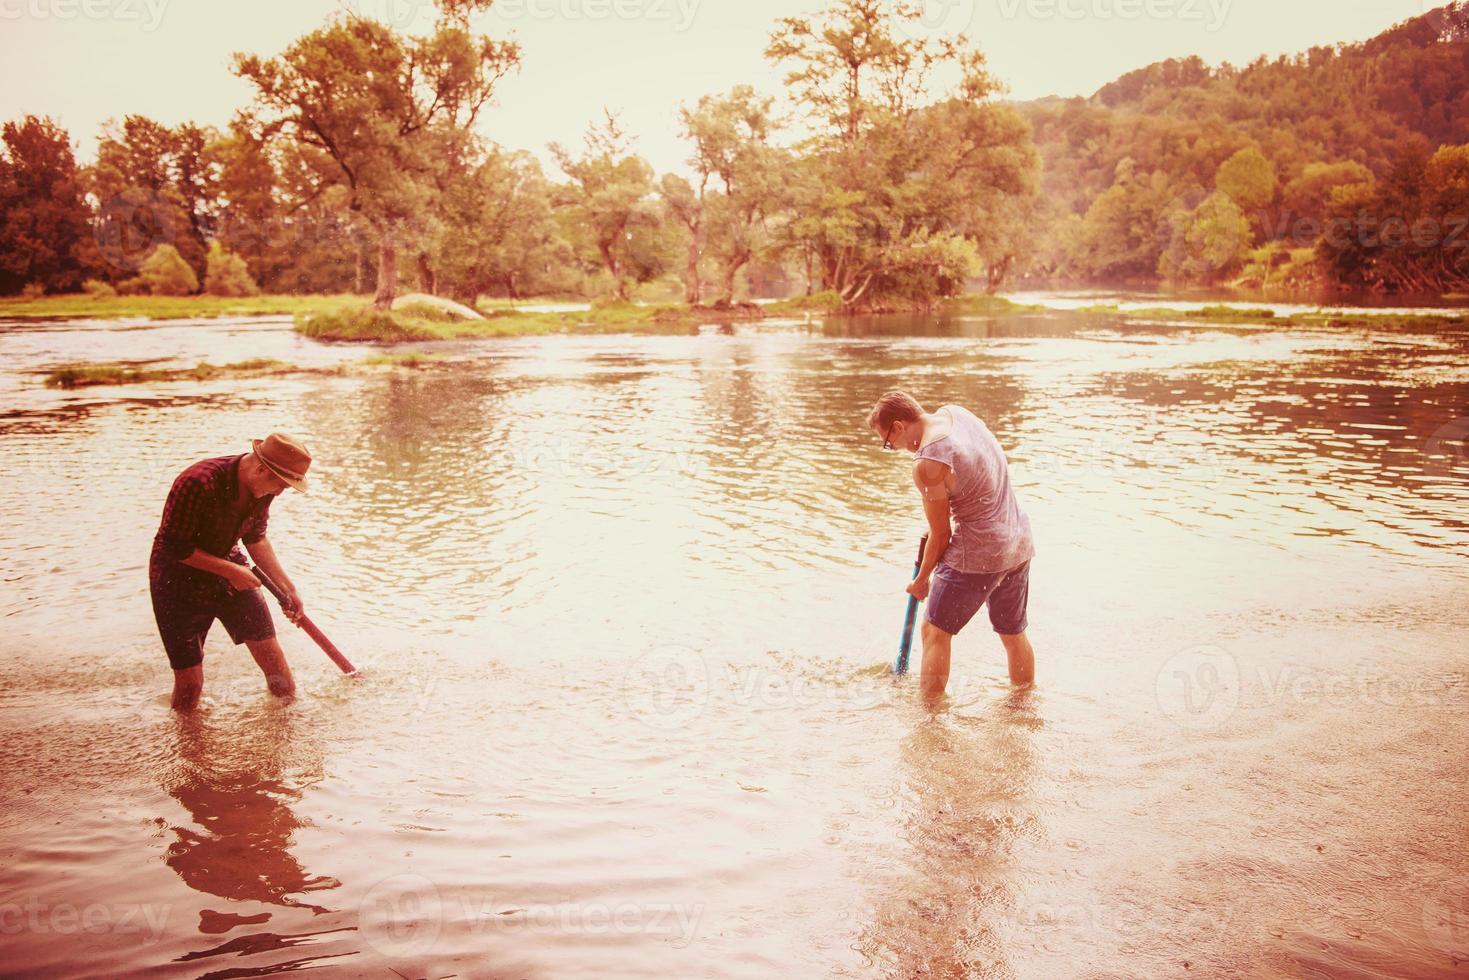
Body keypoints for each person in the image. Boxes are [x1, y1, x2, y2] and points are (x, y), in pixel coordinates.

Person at [869, 392, 1036, 700]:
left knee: (935, 632)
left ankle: (929, 724)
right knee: (1013, 633)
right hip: (1018, 540)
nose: (896, 449)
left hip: (981, 552)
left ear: (898, 426)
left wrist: (921, 582)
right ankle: (1023, 707)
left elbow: (941, 534)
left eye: (889, 443)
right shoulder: (957, 414)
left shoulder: (927, 462)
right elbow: (975, 478)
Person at [149, 433, 312, 711]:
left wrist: (287, 587)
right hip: (177, 581)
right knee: (190, 687)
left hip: (230, 571)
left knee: (281, 679)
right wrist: (231, 571)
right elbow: (173, 546)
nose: (279, 492)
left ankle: (282, 747)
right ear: (262, 469)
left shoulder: (263, 488)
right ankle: (186, 749)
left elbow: (256, 539)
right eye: (281, 485)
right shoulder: (198, 482)